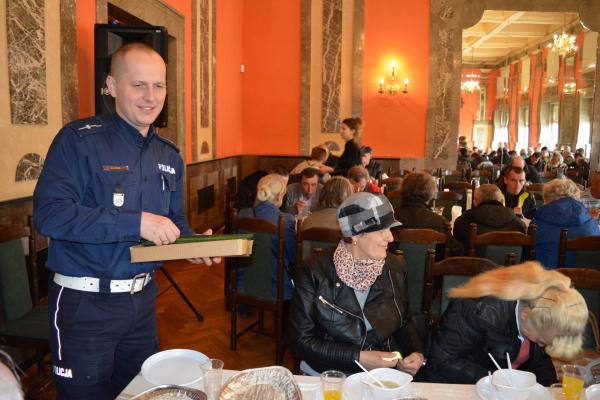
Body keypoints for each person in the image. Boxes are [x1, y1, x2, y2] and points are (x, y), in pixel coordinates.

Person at [33, 43, 219, 399]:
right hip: (84, 306)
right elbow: (50, 214)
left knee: (138, 393)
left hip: (142, 303)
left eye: (159, 85)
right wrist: (135, 223)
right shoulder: (78, 140)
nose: (150, 96)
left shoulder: (169, 156)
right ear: (112, 86)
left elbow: (174, 221)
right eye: (138, 85)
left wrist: (194, 245)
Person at [289, 192, 425, 376]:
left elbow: (404, 320)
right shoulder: (314, 271)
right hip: (327, 374)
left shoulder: (395, 267)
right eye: (382, 231)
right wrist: (359, 357)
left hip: (379, 375)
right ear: (355, 235)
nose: (391, 238)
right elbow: (301, 341)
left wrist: (415, 351)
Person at [424, 262, 588, 386]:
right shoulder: (478, 310)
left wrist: (549, 388)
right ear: (526, 314)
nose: (541, 345)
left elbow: (540, 361)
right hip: (462, 386)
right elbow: (441, 361)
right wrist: (495, 380)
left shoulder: (541, 307)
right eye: (540, 341)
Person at [238, 174, 296, 300]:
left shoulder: (242, 215)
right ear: (279, 197)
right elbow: (293, 257)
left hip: (244, 282)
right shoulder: (286, 220)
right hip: (276, 286)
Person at [532, 179, 600, 269]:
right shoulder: (591, 223)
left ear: (546, 199)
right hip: (587, 279)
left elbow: (527, 258)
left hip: (546, 279)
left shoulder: (536, 225)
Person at [453, 184, 526, 251]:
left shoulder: (462, 222)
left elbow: (458, 252)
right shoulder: (519, 224)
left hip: (476, 265)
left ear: (475, 202)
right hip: (512, 265)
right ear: (502, 201)